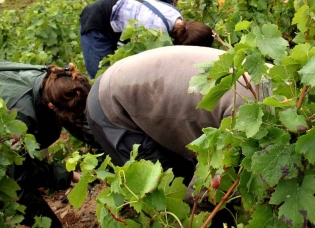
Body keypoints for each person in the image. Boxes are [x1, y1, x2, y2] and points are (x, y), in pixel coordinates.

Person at [0, 60, 95, 228]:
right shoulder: (21, 118)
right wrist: (67, 175)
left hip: (1, 92)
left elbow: (77, 120)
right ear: (51, 107)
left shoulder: (57, 80)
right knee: (21, 189)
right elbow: (20, 175)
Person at [85, 46, 254, 183]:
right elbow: (208, 185)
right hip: (110, 104)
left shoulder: (268, 77)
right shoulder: (247, 116)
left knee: (185, 172)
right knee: (162, 183)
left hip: (131, 76)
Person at [79, 0, 213, 79]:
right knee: (103, 78)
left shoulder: (177, 17)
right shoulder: (155, 31)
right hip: (96, 23)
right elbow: (136, 56)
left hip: (117, 17)